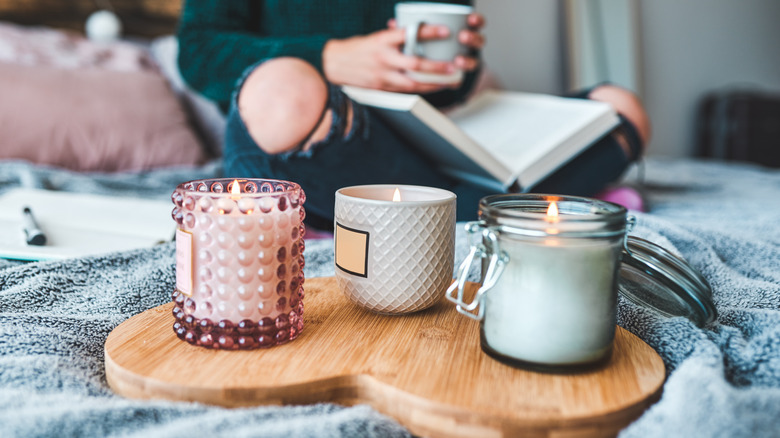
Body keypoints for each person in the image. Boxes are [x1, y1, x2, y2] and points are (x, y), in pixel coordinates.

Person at [177, 1, 650, 229]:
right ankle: (504, 207)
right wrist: (332, 58)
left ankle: (446, 212)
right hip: (313, 137)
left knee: (620, 108)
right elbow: (198, 53)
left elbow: (451, 88)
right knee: (283, 88)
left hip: (411, 141)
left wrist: (454, 69)